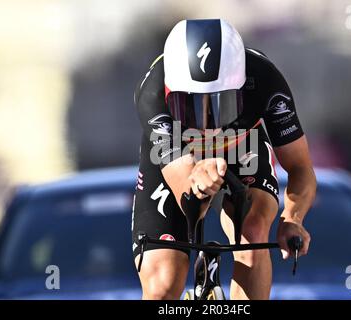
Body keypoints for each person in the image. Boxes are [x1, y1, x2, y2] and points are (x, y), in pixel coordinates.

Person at [132, 19, 316, 300]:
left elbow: (300, 167)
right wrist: (199, 181)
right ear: (172, 93)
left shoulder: (264, 79)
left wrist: (292, 217)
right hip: (180, 157)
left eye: (222, 104)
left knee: (253, 233)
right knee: (163, 283)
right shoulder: (153, 94)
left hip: (244, 145)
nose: (208, 124)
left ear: (241, 86)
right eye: (190, 105)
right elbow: (188, 198)